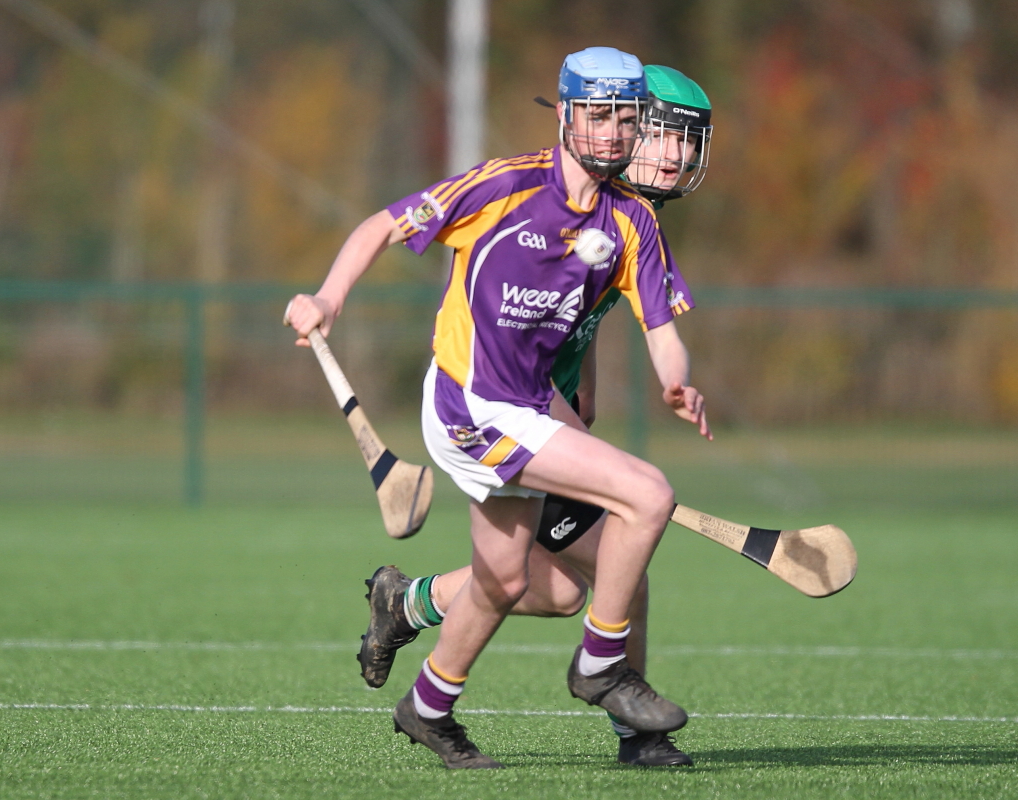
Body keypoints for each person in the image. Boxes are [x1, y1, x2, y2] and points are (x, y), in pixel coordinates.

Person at [286, 47, 710, 770]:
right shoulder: (505, 187)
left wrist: (678, 382)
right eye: (599, 116)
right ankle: (605, 673)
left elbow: (660, 333)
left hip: (528, 413)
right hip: (474, 403)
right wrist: (327, 296)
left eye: (626, 120)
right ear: (569, 115)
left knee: (510, 581)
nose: (614, 134)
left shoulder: (632, 222)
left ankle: (426, 706)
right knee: (647, 498)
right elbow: (383, 226)